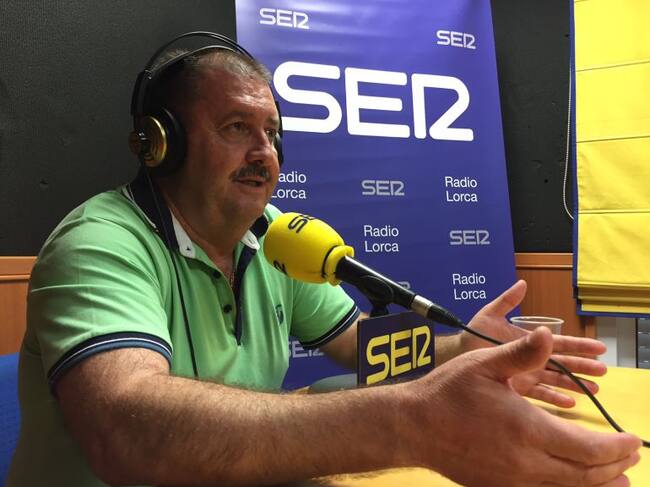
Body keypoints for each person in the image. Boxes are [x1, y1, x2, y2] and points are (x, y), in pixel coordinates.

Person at [8, 38, 641, 487]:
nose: (265, 154)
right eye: (236, 128)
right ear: (160, 143)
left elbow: (358, 345)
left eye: (272, 133)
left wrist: (464, 348)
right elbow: (126, 431)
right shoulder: (99, 245)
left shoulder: (274, 238)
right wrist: (411, 424)